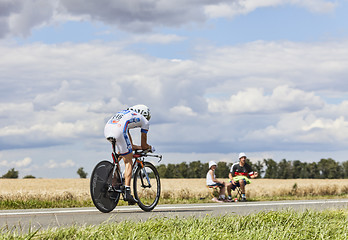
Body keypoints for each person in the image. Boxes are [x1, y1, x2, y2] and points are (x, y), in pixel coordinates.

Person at [104, 104, 154, 205]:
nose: (146, 119)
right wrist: (149, 148)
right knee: (129, 161)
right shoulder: (144, 120)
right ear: (144, 114)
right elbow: (144, 145)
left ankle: (113, 179)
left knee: (124, 152)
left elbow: (129, 145)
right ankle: (127, 191)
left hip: (108, 129)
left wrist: (135, 148)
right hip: (120, 130)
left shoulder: (127, 114)